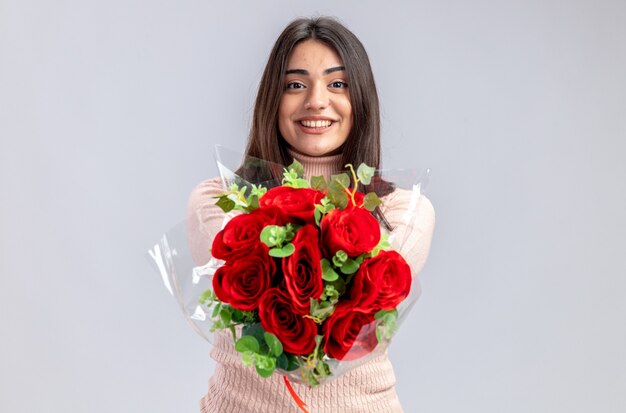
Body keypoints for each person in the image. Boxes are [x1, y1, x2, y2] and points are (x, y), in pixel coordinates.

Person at [187, 16, 435, 413]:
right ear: (273, 99)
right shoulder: (216, 201)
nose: (316, 100)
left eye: (337, 84)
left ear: (361, 99)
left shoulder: (403, 211)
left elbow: (343, 302)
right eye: (295, 84)